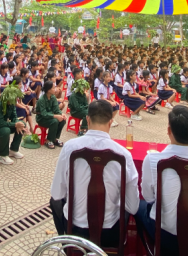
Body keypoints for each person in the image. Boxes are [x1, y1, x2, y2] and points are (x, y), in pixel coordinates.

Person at [49, 99, 140, 246]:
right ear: (110, 122)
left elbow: (57, 193)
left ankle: (68, 246)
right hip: (110, 232)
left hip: (76, 229)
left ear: (87, 119)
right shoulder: (123, 154)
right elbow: (133, 207)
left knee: (55, 201)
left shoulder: (70, 147)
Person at [138, 106, 188, 253]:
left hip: (165, 237)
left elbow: (148, 197)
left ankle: (152, 250)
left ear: (169, 131)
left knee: (138, 206)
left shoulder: (153, 159)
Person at [0, 82, 26, 165]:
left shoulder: (11, 104)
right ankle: (2, 156)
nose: (15, 100)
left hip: (1, 126)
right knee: (5, 130)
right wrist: (15, 124)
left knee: (22, 124)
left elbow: (14, 117)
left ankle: (13, 150)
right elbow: (0, 123)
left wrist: (17, 123)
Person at [37, 81, 67, 149]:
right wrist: (56, 116)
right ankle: (49, 140)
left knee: (63, 120)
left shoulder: (53, 97)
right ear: (48, 90)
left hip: (50, 117)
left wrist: (62, 114)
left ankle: (55, 138)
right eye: (53, 88)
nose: (55, 89)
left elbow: (56, 109)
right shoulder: (42, 99)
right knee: (55, 121)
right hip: (42, 118)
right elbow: (44, 114)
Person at [67, 69, 90, 136]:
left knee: (92, 111)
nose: (84, 89)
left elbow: (86, 104)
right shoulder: (73, 96)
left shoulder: (83, 94)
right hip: (75, 111)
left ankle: (88, 128)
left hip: (82, 109)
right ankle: (82, 130)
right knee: (87, 113)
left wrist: (86, 107)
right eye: (83, 88)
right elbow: (77, 107)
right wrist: (85, 107)